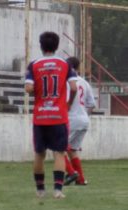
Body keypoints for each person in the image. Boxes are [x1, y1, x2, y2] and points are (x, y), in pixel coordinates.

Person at [25, 31, 77, 199]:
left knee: (39, 153)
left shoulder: (33, 65)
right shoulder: (65, 64)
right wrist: (68, 104)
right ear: (56, 45)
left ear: (41, 46)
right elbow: (74, 87)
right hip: (59, 116)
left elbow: (29, 88)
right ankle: (58, 190)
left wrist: (38, 93)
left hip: (40, 116)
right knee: (59, 153)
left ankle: (40, 190)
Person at [64, 57, 96, 186]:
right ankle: (81, 179)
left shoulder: (67, 82)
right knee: (73, 150)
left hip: (71, 119)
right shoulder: (84, 82)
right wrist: (83, 115)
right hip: (84, 120)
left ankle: (72, 173)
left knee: (58, 147)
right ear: (77, 68)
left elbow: (66, 102)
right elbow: (92, 104)